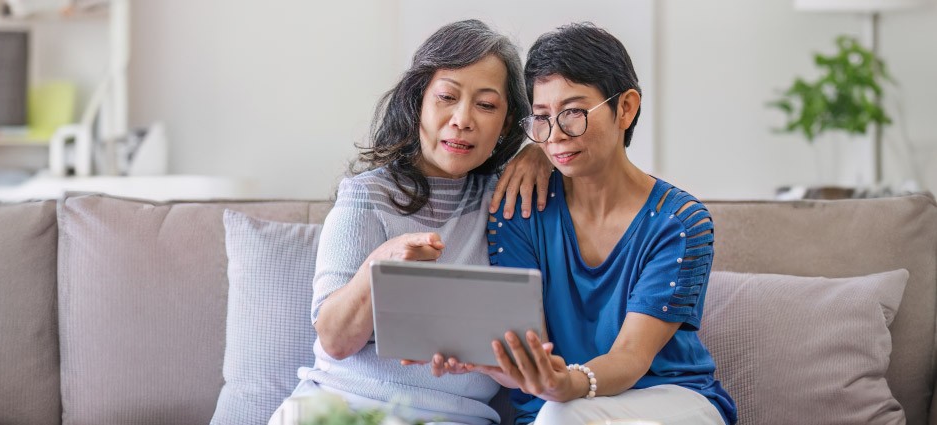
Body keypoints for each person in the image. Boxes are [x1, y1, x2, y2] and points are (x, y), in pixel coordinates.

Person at [457, 23, 738, 425]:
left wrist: (569, 384)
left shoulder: (679, 222)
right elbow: (531, 352)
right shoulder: (518, 211)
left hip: (668, 400)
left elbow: (631, 357)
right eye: (542, 118)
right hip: (554, 408)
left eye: (573, 113)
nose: (555, 136)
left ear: (625, 108)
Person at [268, 19, 545, 425]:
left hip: (452, 417)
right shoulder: (366, 195)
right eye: (447, 97)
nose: (462, 119)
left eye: (486, 105)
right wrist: (383, 262)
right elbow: (335, 339)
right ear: (418, 102)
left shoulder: (508, 203)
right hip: (340, 405)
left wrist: (543, 153)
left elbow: (530, 356)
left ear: (506, 124)